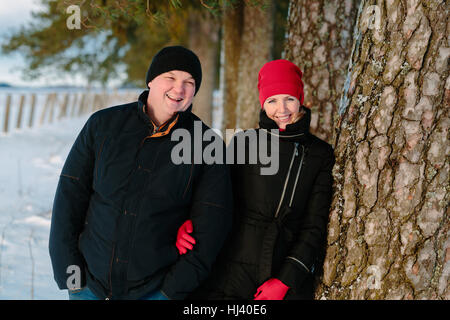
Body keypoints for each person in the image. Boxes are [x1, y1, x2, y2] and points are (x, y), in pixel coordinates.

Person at [49, 46, 233, 300]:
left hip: (155, 290)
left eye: (189, 82)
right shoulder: (103, 126)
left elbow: (212, 226)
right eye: (170, 77)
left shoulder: (206, 144)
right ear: (151, 80)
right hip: (89, 286)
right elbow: (69, 198)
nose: (179, 89)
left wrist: (171, 292)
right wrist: (71, 276)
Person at [175, 59, 335, 300]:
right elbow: (215, 197)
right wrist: (189, 223)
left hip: (280, 273)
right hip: (228, 268)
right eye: (272, 101)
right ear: (263, 104)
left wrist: (285, 281)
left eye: (289, 99)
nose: (282, 109)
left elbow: (314, 225)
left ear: (300, 99)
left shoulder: (319, 154)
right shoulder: (245, 142)